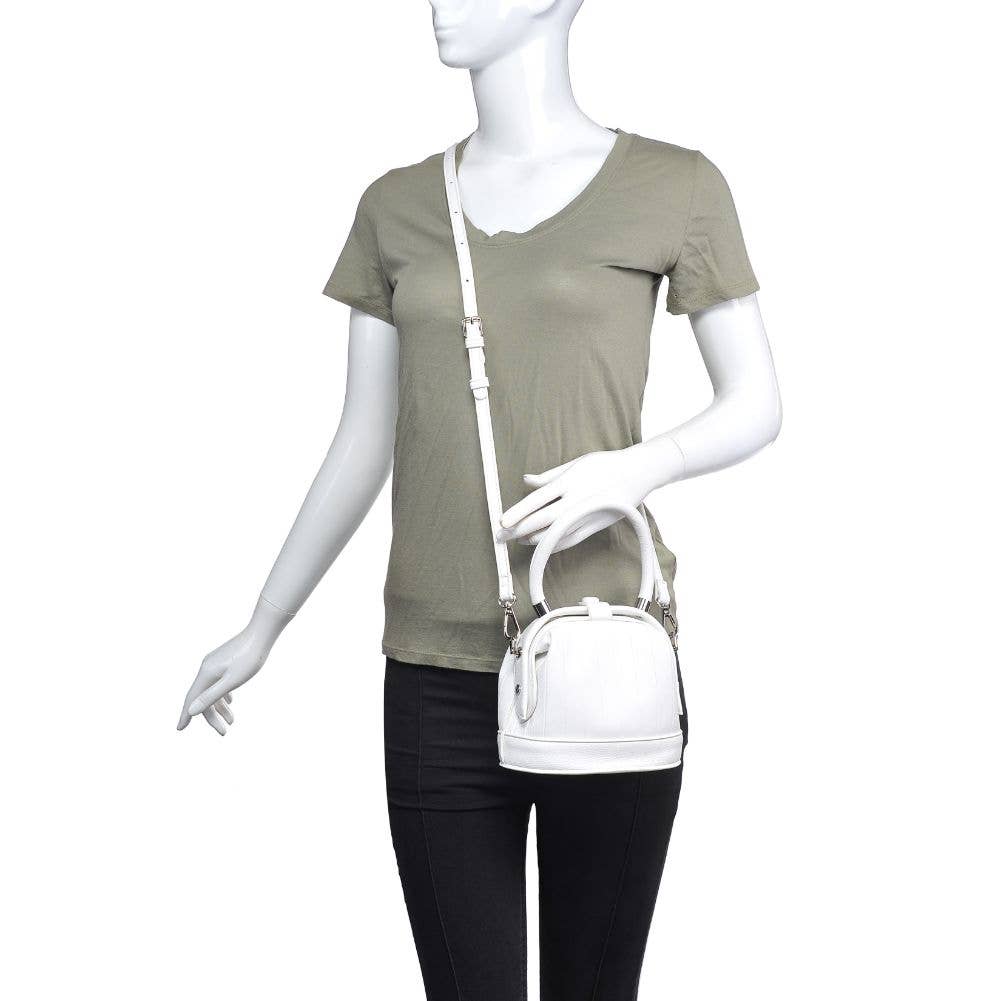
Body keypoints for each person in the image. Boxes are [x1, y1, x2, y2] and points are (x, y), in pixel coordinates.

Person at [178, 2, 782, 998]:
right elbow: (362, 437)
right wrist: (264, 621)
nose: (438, 2)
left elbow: (755, 401)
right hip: (432, 673)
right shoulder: (395, 206)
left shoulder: (675, 185)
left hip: (603, 650)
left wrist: (637, 467)